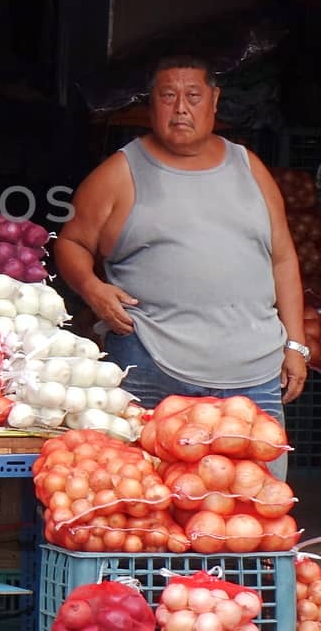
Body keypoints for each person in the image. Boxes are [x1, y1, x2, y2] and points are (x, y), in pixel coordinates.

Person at [55, 55, 308, 462]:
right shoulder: (120, 171)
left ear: (214, 100)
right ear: (151, 104)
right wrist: (92, 288)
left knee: (251, 506)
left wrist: (297, 344)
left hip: (254, 370)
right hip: (151, 361)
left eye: (192, 96)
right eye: (168, 96)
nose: (181, 108)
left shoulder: (250, 168)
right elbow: (71, 244)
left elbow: (283, 259)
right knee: (144, 504)